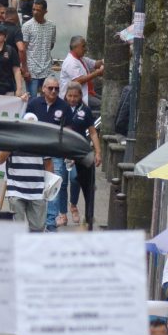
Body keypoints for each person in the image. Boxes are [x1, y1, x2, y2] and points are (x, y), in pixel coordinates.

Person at [26, 75, 72, 231]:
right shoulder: (33, 104)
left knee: (53, 188)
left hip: (55, 153)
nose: (54, 91)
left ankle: (51, 224)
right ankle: (35, 223)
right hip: (35, 152)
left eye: (57, 89)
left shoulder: (64, 107)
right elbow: (25, 124)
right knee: (35, 187)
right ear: (43, 89)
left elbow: (69, 131)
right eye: (51, 88)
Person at [0, 112, 53, 232]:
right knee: (17, 229)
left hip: (37, 191)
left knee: (37, 228)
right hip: (16, 190)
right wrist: (11, 143)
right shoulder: (12, 140)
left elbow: (48, 165)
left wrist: (49, 186)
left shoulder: (43, 142)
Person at [64, 81, 101, 228]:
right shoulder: (61, 107)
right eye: (70, 96)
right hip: (62, 151)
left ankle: (73, 204)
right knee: (61, 183)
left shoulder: (85, 111)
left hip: (78, 151)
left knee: (74, 179)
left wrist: (98, 152)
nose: (72, 99)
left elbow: (92, 132)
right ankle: (61, 213)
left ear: (80, 96)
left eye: (75, 96)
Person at [22, 0, 57, 97]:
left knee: (48, 98)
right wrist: (25, 70)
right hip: (32, 70)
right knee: (32, 100)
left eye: (38, 10)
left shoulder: (52, 26)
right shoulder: (27, 26)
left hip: (47, 69)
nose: (35, 12)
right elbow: (23, 49)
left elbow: (51, 45)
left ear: (45, 11)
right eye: (33, 9)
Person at [59, 35, 104, 110]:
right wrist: (97, 73)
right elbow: (78, 81)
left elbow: (95, 64)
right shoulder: (70, 61)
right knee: (104, 106)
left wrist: (104, 61)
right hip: (77, 97)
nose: (85, 49)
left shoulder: (81, 59)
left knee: (105, 101)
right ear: (75, 47)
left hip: (88, 93)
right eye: (83, 46)